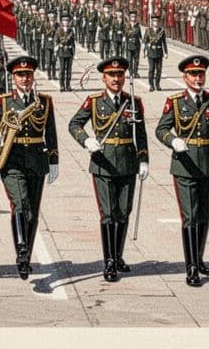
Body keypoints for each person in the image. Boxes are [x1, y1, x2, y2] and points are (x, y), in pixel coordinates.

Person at [67, 56, 150, 283]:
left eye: (120, 75)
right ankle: (109, 261)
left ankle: (118, 254)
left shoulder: (133, 102)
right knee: (108, 214)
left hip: (128, 162)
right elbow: (74, 124)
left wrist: (144, 160)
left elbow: (141, 134)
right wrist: (86, 140)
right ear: (103, 78)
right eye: (112, 75)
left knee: (124, 211)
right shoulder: (94, 101)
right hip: (103, 163)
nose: (116, 79)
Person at [156, 54, 209, 286]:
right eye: (193, 75)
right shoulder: (175, 102)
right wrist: (173, 140)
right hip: (185, 164)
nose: (198, 79)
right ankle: (191, 267)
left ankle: (198, 259)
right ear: (185, 77)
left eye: (201, 75)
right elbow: (161, 129)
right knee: (190, 216)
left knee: (204, 215)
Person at [0, 55, 59, 279]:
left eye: (28, 75)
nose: (24, 79)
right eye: (20, 75)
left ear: (33, 77)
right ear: (13, 78)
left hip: (37, 160)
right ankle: (22, 248)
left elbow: (51, 133)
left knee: (32, 212)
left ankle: (25, 257)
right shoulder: (5, 101)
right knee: (21, 202)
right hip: (12, 159)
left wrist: (54, 160)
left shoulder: (44, 101)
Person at [144, 18, 167, 93]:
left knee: (159, 69)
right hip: (151, 52)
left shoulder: (161, 31)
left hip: (159, 52)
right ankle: (151, 85)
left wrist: (165, 52)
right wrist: (146, 49)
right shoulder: (148, 30)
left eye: (157, 21)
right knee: (151, 69)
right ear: (152, 22)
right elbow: (145, 41)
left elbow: (164, 42)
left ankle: (157, 84)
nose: (156, 23)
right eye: (154, 21)